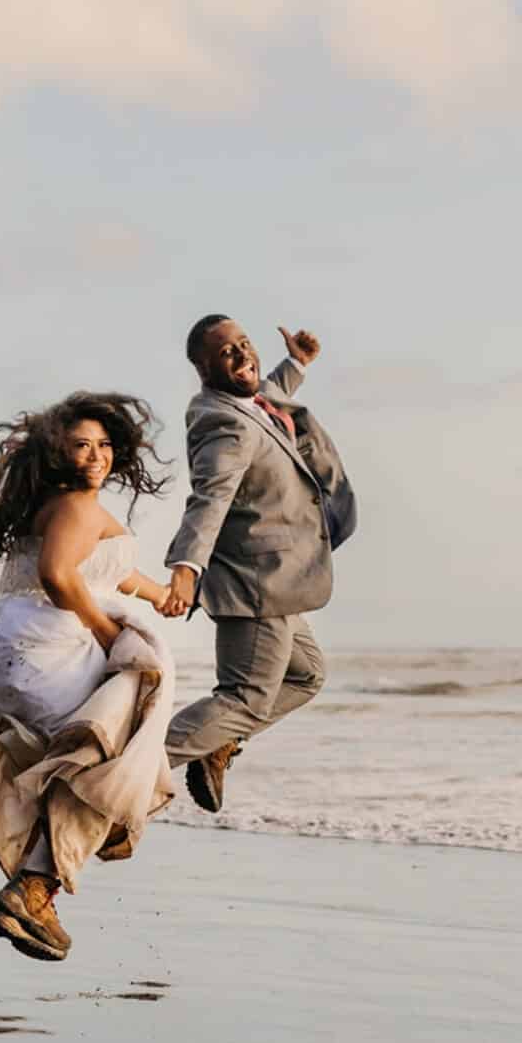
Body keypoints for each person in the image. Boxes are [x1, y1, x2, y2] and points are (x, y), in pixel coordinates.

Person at [0, 393, 186, 962]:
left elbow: (106, 568)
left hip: (6, 649)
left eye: (105, 445)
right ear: (57, 450)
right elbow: (60, 576)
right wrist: (105, 633)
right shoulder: (76, 507)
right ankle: (35, 889)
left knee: (97, 754)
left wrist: (160, 593)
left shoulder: (56, 505)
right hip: (44, 646)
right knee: (112, 751)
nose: (96, 456)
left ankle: (40, 889)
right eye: (82, 445)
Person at [163, 317, 357, 813]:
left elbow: (265, 392)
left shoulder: (248, 404)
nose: (242, 355)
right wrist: (187, 565)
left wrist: (296, 364)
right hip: (258, 584)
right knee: (244, 700)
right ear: (204, 368)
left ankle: (219, 744)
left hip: (282, 581)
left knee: (307, 675)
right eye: (227, 352)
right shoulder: (222, 423)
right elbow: (210, 495)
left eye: (244, 344)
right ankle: (119, 770)